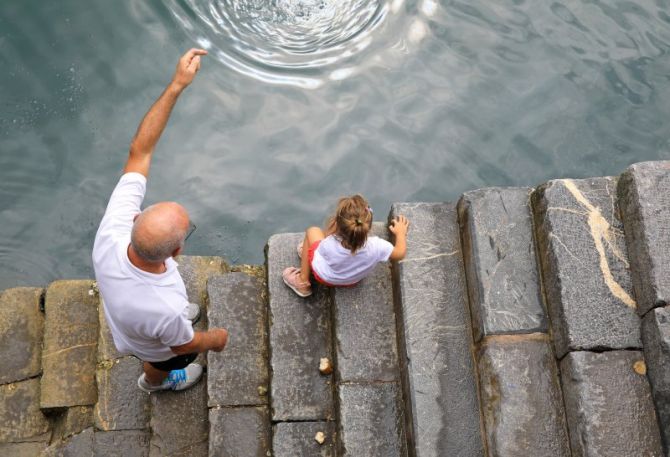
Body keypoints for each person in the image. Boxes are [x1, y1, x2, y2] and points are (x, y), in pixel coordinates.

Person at [92, 49, 228, 393]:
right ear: (177, 250)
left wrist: (177, 85)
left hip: (127, 314)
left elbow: (140, 150)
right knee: (162, 361)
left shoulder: (113, 231)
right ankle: (154, 385)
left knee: (171, 326)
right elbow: (182, 345)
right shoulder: (162, 308)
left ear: (136, 218)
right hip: (152, 341)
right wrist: (214, 339)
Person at [282, 194, 409, 297]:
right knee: (315, 241)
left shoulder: (329, 245)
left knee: (312, 231)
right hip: (352, 281)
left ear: (338, 224)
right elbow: (400, 253)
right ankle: (307, 253)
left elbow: (320, 248)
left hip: (325, 277)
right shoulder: (378, 246)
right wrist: (400, 233)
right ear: (367, 227)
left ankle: (303, 282)